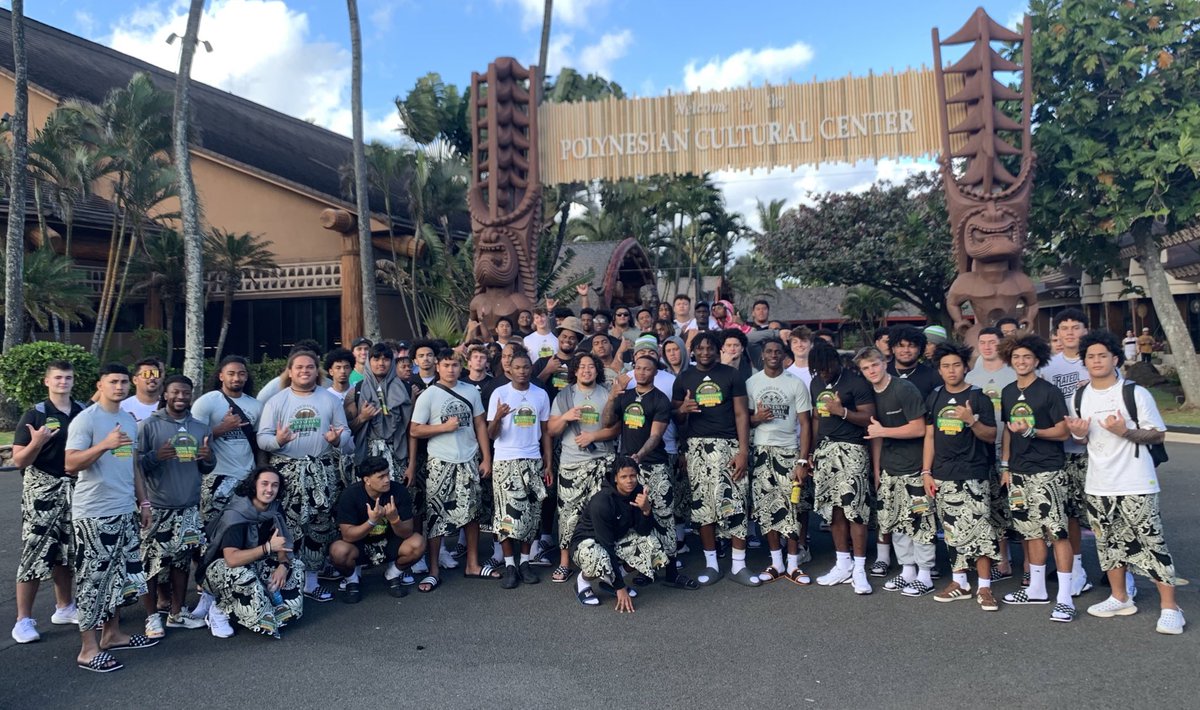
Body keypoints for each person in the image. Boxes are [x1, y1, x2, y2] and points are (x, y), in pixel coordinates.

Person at [1067, 331, 1184, 634]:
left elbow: (1157, 433)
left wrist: (1124, 431)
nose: (1096, 360)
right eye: (1090, 356)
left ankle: (1171, 608)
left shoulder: (1134, 393)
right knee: (1108, 544)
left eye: (1102, 355)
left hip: (1136, 482)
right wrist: (1078, 432)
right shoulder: (1080, 396)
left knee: (1152, 543)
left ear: (1115, 359)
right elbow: (1082, 439)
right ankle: (1120, 597)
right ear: (1084, 362)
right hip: (1098, 484)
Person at [65, 363, 157, 673]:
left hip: (124, 509)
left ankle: (112, 634)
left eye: (122, 382)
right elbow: (70, 463)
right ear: (100, 385)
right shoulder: (86, 420)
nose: (119, 387)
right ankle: (88, 649)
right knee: (93, 581)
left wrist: (143, 501)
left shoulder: (127, 420)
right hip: (94, 513)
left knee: (119, 578)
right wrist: (104, 444)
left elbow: (132, 467)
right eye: (112, 382)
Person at [257, 350, 353, 603]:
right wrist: (277, 440)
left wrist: (337, 439)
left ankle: (311, 580)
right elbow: (262, 438)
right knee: (287, 526)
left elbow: (346, 436)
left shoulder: (330, 400)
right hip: (287, 474)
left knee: (319, 526)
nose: (304, 371)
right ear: (290, 371)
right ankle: (287, 576)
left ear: (317, 371)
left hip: (321, 473)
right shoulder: (277, 401)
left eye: (310, 367)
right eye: (299, 367)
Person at [997, 333, 1075, 621]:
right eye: (1016, 357)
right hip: (1017, 472)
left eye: (1027, 357)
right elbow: (1007, 429)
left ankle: (1065, 596)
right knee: (1029, 531)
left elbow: (1063, 431)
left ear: (1037, 360)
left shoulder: (1049, 392)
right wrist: (1005, 465)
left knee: (1057, 532)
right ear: (1009, 360)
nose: (1021, 361)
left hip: (1047, 470)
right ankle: (1037, 589)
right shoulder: (1006, 391)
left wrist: (1033, 432)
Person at [672, 331, 757, 587]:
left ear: (718, 350)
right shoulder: (684, 378)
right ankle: (712, 565)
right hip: (697, 448)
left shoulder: (732, 375)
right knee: (703, 507)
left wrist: (743, 451)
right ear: (693, 351)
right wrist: (682, 411)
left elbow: (742, 414)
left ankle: (739, 565)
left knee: (737, 503)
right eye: (700, 348)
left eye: (710, 348)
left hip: (729, 445)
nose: (705, 352)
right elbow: (677, 419)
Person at [605, 354, 697, 589]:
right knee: (635, 517)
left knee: (663, 516)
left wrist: (640, 455)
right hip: (627, 469)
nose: (642, 372)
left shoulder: (660, 400)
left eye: (647, 369)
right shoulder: (625, 397)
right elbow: (607, 422)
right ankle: (645, 567)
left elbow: (656, 435)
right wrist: (611, 396)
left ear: (655, 373)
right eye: (638, 368)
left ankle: (672, 571)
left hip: (654, 465)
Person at [921, 343, 1001, 610]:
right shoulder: (933, 396)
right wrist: (926, 472)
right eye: (945, 366)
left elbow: (991, 436)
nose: (951, 370)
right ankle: (960, 583)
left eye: (956, 365)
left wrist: (971, 420)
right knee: (953, 530)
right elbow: (930, 435)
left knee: (980, 531)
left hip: (973, 472)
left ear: (966, 367)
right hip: (942, 473)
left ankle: (985, 587)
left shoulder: (978, 397)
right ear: (939, 370)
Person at [10, 360, 85, 644]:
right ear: (47, 382)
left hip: (76, 488)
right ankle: (23, 620)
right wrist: (37, 442)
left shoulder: (82, 411)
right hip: (43, 491)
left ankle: (65, 606)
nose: (63, 382)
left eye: (67, 377)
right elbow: (19, 459)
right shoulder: (37, 414)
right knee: (35, 550)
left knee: (67, 550)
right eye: (57, 378)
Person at [135, 375, 214, 635]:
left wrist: (207, 458)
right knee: (151, 565)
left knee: (181, 564)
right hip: (157, 507)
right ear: (165, 395)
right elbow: (136, 468)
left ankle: (177, 613)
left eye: (186, 393)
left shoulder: (200, 427)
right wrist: (156, 456)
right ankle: (151, 617)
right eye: (175, 393)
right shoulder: (148, 426)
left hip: (189, 506)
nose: (181, 397)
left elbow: (207, 466)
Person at [410, 350, 494, 589]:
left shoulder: (470, 391)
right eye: (446, 365)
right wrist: (443, 428)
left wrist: (486, 458)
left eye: (455, 365)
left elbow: (479, 423)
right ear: (438, 366)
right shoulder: (429, 395)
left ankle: (472, 564)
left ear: (461, 366)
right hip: (440, 461)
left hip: (468, 458)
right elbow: (415, 430)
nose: (451, 369)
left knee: (472, 513)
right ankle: (434, 569)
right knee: (437, 515)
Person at [857, 348, 935, 597]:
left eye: (875, 365)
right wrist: (878, 469)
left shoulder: (904, 388)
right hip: (890, 468)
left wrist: (885, 432)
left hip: (914, 467)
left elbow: (920, 428)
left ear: (885, 362)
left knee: (920, 521)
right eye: (866, 368)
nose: (872, 371)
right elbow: (875, 434)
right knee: (896, 521)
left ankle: (925, 574)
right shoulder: (870, 393)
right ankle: (908, 570)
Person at [198, 466, 303, 638]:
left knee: (295, 566)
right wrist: (268, 548)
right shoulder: (236, 515)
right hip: (221, 569)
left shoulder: (274, 508)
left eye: (275, 485)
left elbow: (282, 542)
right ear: (254, 485)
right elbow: (231, 559)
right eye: (265, 484)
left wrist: (283, 565)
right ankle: (220, 608)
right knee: (244, 575)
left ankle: (273, 608)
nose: (269, 490)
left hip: (254, 561)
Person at [808, 341, 876, 594]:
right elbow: (816, 418)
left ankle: (859, 569)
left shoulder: (855, 382)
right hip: (825, 452)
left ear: (837, 361)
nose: (824, 373)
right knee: (833, 510)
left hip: (852, 450)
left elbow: (869, 417)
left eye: (827, 367)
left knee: (855, 510)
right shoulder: (816, 383)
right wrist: (812, 451)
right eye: (819, 369)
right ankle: (842, 564)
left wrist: (841, 411)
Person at [747, 338, 814, 584]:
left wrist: (802, 461)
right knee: (767, 508)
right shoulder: (751, 383)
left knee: (793, 509)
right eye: (769, 352)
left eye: (777, 351)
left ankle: (794, 564)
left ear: (784, 355)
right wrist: (756, 419)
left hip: (789, 451)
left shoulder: (795, 383)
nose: (773, 355)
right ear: (762, 356)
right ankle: (776, 563)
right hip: (761, 451)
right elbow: (744, 420)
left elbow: (806, 424)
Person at [549, 353, 619, 582]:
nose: (587, 370)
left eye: (591, 366)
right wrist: (566, 417)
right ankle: (565, 562)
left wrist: (594, 436)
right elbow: (551, 431)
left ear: (597, 370)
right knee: (568, 513)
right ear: (575, 371)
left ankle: (603, 559)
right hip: (572, 463)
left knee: (602, 512)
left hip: (603, 460)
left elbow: (617, 428)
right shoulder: (564, 395)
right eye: (582, 367)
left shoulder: (607, 392)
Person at [487, 350, 553, 589]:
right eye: (518, 367)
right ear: (509, 370)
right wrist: (498, 417)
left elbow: (546, 432)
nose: (522, 371)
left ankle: (525, 562)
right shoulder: (500, 393)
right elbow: (490, 434)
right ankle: (509, 565)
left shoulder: (541, 395)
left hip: (532, 458)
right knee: (505, 515)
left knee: (531, 513)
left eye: (526, 367)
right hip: (505, 460)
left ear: (531, 369)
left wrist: (548, 463)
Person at [1040, 308, 1093, 596]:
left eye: (1076, 327)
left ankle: (1121, 573)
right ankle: (1076, 568)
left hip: (1093, 451)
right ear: (1057, 333)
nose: (1070, 332)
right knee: (1068, 514)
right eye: (1064, 328)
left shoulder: (1096, 359)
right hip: (1060, 451)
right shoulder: (1049, 366)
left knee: (1099, 514)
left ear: (1085, 330)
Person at [570, 457, 666, 610]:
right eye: (624, 477)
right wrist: (620, 588)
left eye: (633, 476)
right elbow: (606, 545)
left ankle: (611, 579)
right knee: (599, 555)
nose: (629, 481)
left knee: (651, 543)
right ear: (615, 478)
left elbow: (643, 531)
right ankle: (582, 581)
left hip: (614, 539)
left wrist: (646, 510)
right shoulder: (602, 501)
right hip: (587, 544)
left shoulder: (638, 492)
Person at [329, 456, 426, 601]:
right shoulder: (350, 495)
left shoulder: (399, 491)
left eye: (387, 474)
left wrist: (395, 519)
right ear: (367, 480)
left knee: (418, 543)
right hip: (359, 544)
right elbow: (348, 535)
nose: (387, 480)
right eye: (381, 477)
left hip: (389, 542)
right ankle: (352, 580)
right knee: (338, 551)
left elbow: (407, 532)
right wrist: (372, 521)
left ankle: (392, 575)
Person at [963, 327, 1017, 580]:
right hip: (982, 446)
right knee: (992, 505)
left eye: (991, 342)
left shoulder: (1013, 372)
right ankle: (1001, 560)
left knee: (1015, 505)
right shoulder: (973, 376)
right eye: (982, 342)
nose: (986, 347)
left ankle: (1028, 565)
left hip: (1011, 445)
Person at [347, 343, 413, 486]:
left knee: (396, 500)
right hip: (367, 454)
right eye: (376, 359)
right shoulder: (356, 390)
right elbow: (348, 429)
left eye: (386, 359)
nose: (381, 363)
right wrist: (362, 418)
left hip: (398, 453)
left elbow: (411, 429)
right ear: (369, 362)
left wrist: (412, 463)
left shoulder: (406, 389)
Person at [534, 316, 585, 402]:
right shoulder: (542, 362)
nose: (567, 340)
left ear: (577, 341)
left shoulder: (581, 364)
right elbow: (531, 389)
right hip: (548, 411)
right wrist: (547, 370)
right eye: (564, 336)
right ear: (558, 337)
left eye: (572, 338)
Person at [887, 325, 943, 397]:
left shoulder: (933, 376)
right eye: (901, 346)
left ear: (920, 349)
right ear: (893, 349)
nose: (906, 350)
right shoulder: (882, 372)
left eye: (911, 346)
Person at [121, 357, 164, 422]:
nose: (152, 378)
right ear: (135, 380)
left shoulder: (169, 407)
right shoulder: (122, 408)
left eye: (156, 374)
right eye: (146, 374)